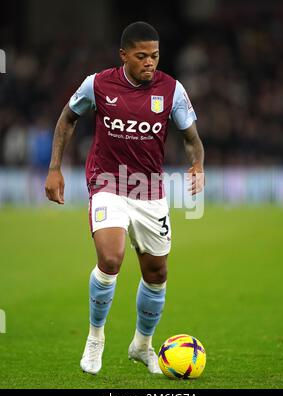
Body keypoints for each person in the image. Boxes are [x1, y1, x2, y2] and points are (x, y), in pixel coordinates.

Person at [45, 21, 205, 375]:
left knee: (156, 272)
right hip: (106, 183)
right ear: (124, 56)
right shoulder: (98, 84)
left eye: (156, 56)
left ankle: (142, 345)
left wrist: (198, 165)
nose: (150, 63)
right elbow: (67, 119)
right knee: (111, 258)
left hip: (149, 192)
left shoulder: (172, 90)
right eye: (142, 56)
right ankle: (95, 338)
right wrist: (55, 167)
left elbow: (191, 136)